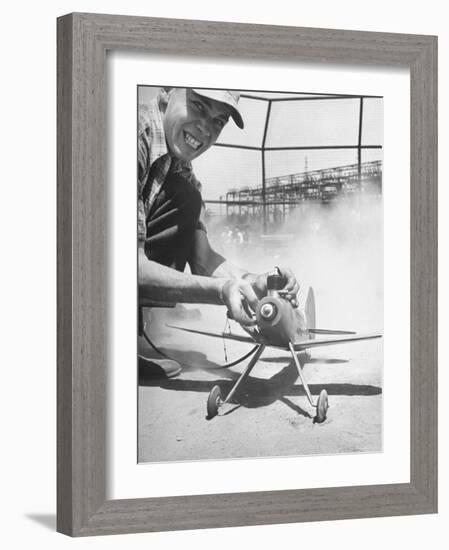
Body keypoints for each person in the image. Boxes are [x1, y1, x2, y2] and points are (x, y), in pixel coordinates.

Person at [138, 87, 299, 376]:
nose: (206, 128)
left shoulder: (181, 170)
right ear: (165, 94)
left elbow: (203, 259)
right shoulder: (128, 135)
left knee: (187, 196)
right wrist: (220, 291)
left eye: (218, 121)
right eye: (199, 106)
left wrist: (257, 283)